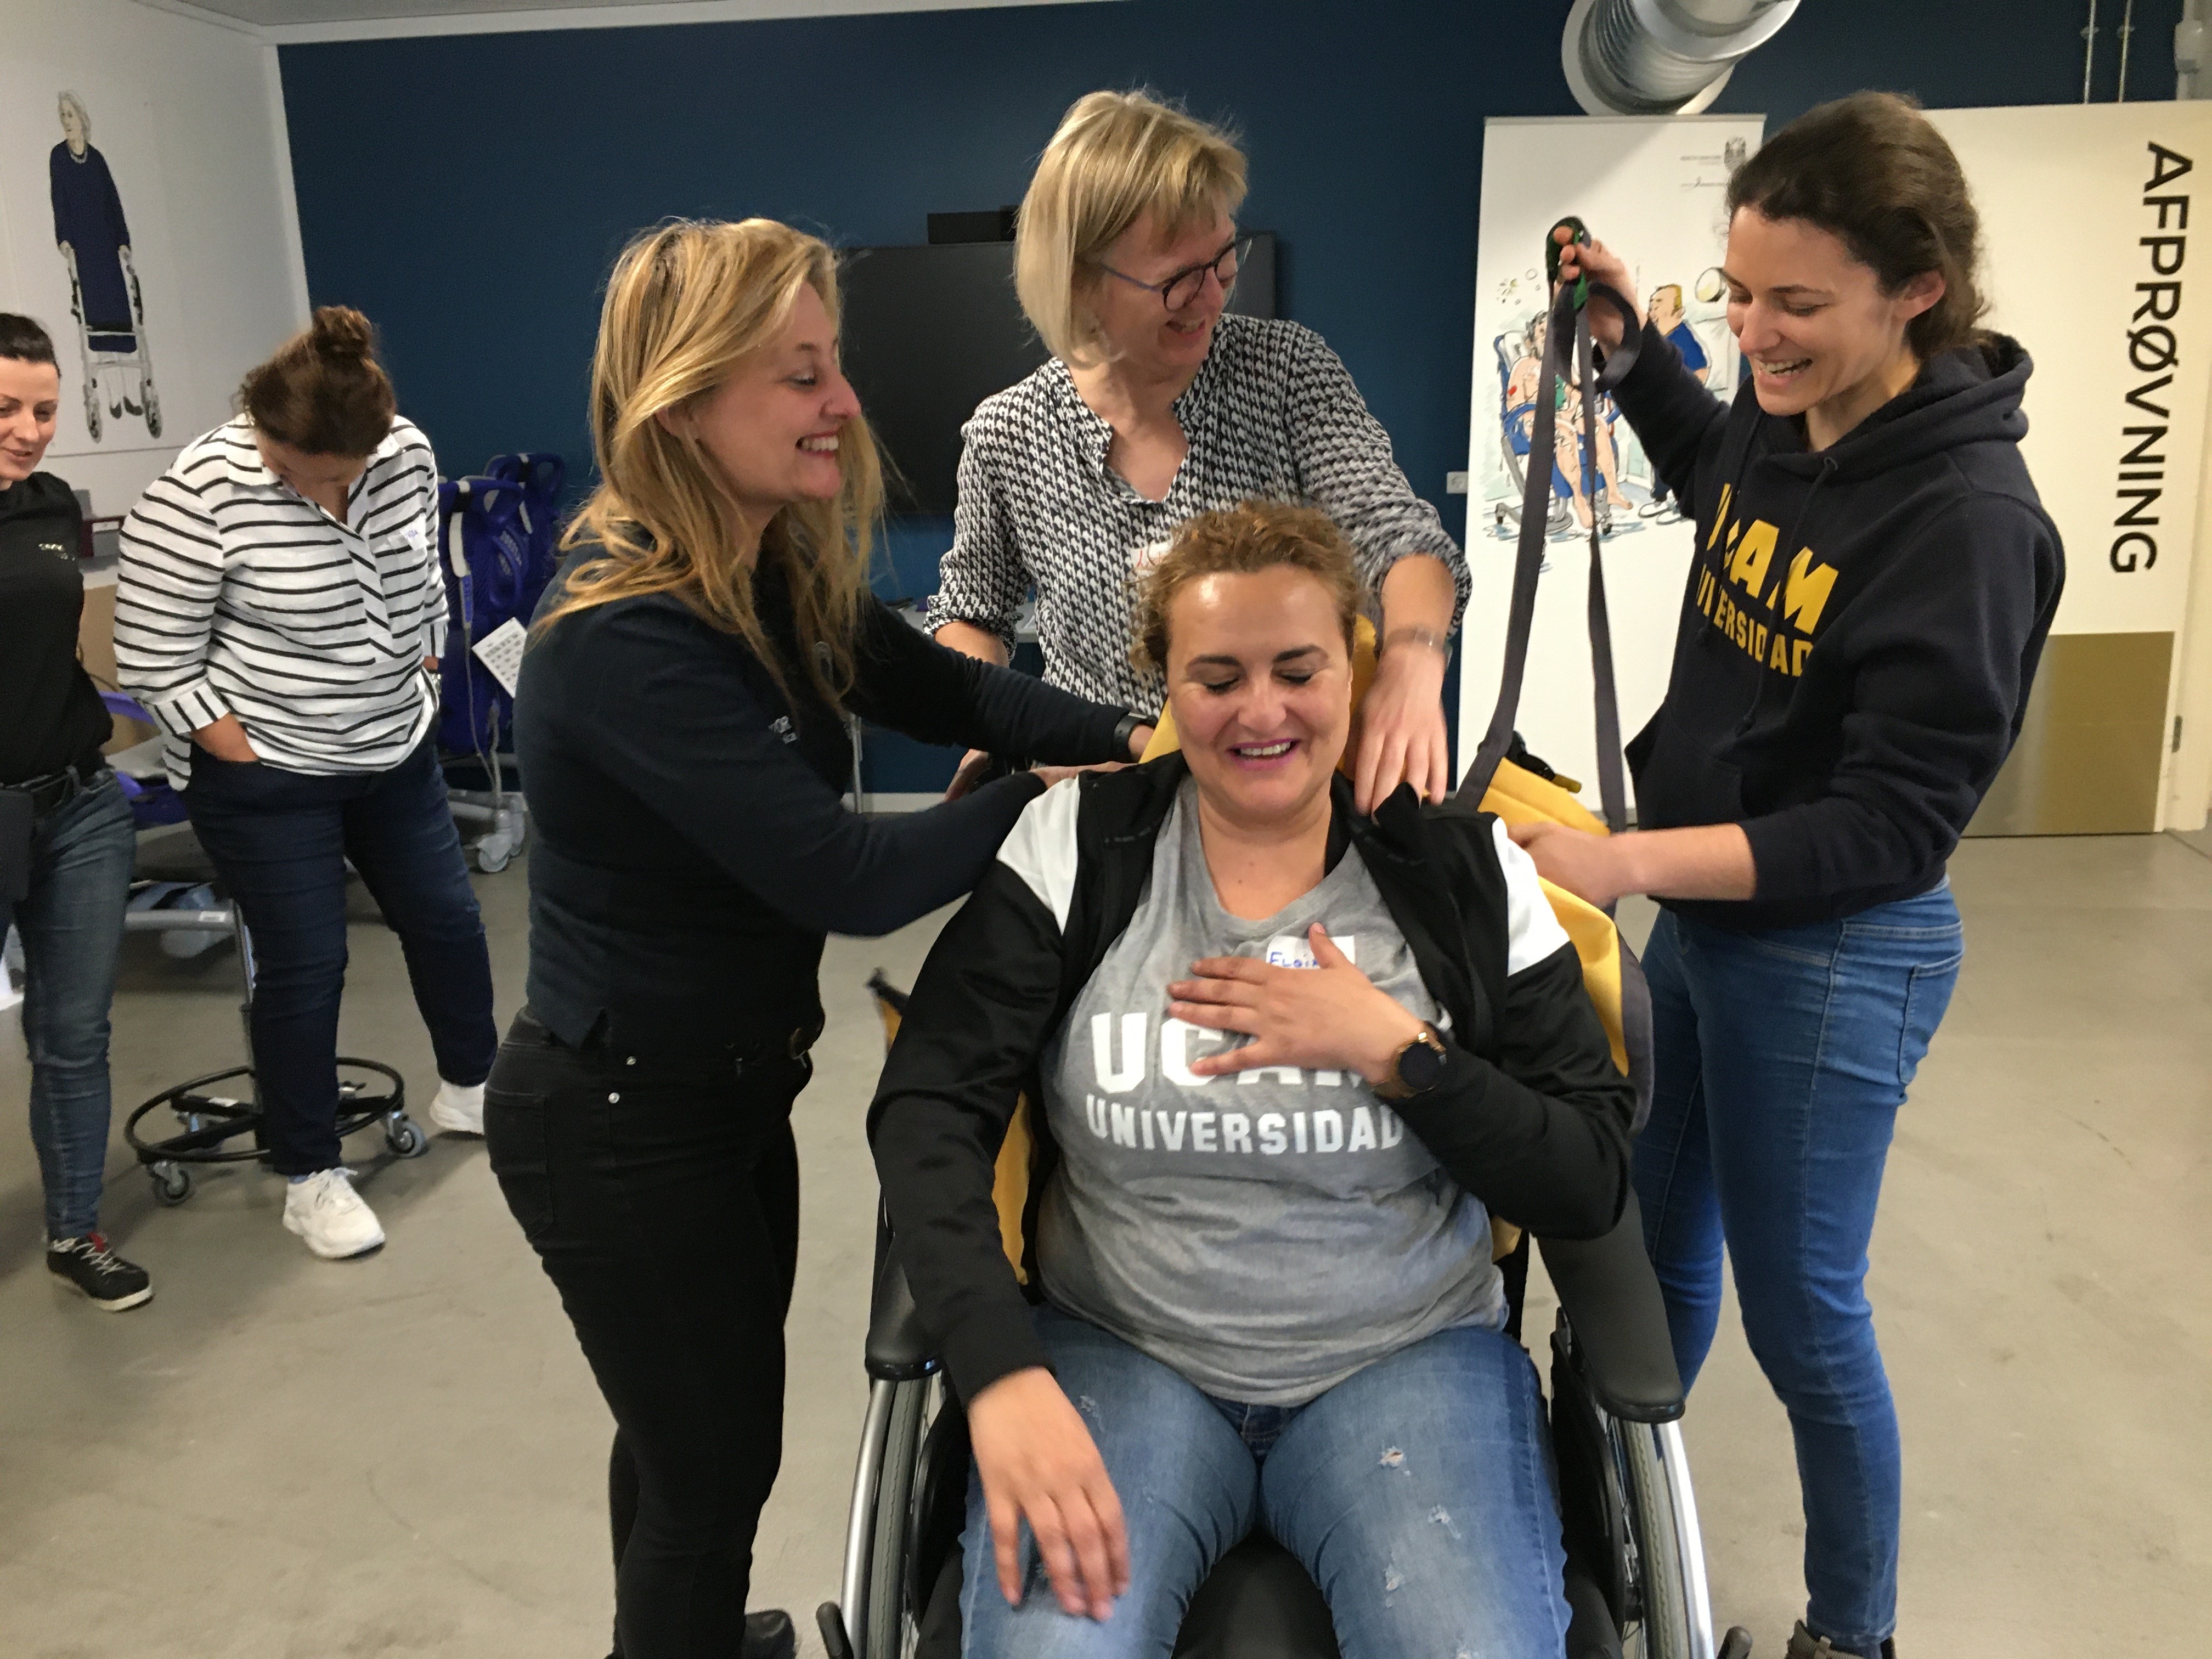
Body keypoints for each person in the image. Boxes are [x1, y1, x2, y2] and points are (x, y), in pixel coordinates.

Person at [486, 217, 1152, 1659]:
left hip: (724, 1098)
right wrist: (1049, 797)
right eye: (799, 375)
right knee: (710, 1476)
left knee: (685, 1448)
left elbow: (962, 696)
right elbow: (848, 876)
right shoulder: (625, 637)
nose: (843, 402)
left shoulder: (763, 576)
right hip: (621, 1123)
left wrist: (1146, 737)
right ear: (683, 403)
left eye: (833, 364)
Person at [873, 500, 1635, 1657]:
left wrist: (1399, 1055)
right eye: (1218, 678)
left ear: (1352, 675)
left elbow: (1587, 1175)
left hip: (1406, 1358)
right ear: (1166, 686)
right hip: (1120, 1352)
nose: (1263, 711)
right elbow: (931, 1107)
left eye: (1299, 670)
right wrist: (999, 1373)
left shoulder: (1468, 877)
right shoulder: (1077, 847)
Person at [1529, 93, 2064, 1659]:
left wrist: (1622, 855)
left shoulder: (1969, 523)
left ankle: (1851, 1633)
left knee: (1807, 1316)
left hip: (1834, 953)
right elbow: (1718, 464)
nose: (1757, 333)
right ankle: (1615, 1544)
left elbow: (1890, 826)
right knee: (1650, 1257)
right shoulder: (1793, 414)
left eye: (1799, 305)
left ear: (1918, 292)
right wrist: (1633, 343)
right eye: (1740, 291)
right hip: (1710, 925)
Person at [929, 89, 1469, 813]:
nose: (1212, 297)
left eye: (1223, 261)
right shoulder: (1010, 432)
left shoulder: (1284, 373)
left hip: (1280, 792)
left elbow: (1395, 534)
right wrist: (990, 728)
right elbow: (974, 611)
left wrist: (1411, 662)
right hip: (1103, 803)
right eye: (1179, 279)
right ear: (1081, 281)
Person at [114, 307, 495, 1262]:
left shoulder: (404, 453)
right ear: (265, 432)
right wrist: (239, 749)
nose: (326, 492)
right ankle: (309, 1173)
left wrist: (425, 667)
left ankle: (474, 1088)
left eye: (342, 476)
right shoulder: (196, 494)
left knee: (447, 920)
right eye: (301, 473)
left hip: (391, 745)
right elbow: (154, 657)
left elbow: (422, 576)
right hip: (270, 772)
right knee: (307, 962)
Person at [0, 312, 149, 1312]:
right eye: (7, 408)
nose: (30, 430)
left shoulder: (53, 505)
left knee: (74, 1034)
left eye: (46, 411)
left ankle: (75, 1232)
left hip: (79, 806)